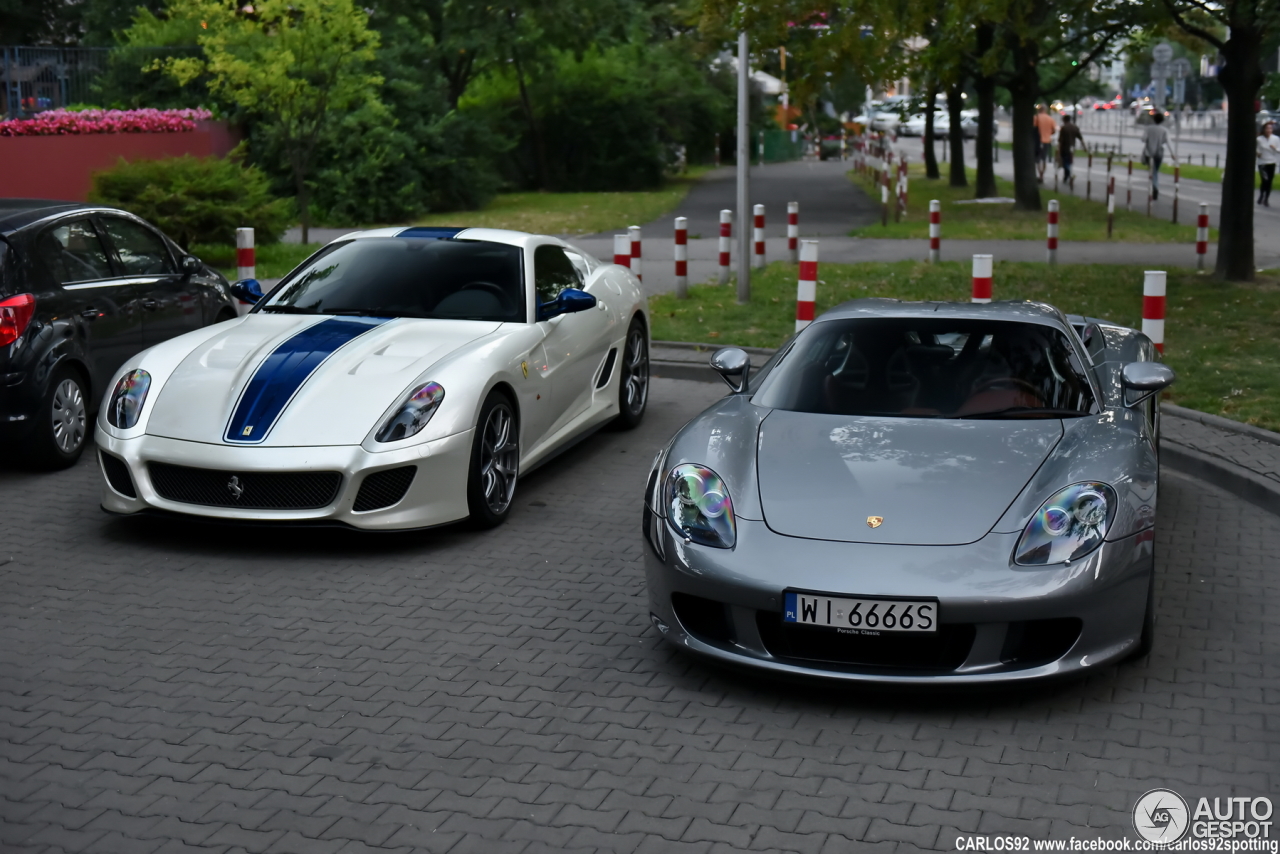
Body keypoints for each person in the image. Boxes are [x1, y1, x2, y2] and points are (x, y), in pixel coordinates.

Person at [1141, 112, 1177, 200]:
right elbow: (1168, 142)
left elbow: (1143, 139)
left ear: (1154, 119)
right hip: (1159, 153)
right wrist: (1173, 154)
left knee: (1152, 171)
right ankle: (1155, 185)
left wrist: (1149, 140)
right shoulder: (1164, 130)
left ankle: (1154, 187)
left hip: (1149, 153)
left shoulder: (1148, 129)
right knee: (1155, 171)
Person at [1057, 114, 1088, 188]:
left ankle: (1070, 174)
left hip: (1064, 148)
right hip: (1072, 148)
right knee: (1069, 162)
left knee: (1065, 163)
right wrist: (1084, 147)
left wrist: (1059, 150)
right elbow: (1080, 138)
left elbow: (1060, 141)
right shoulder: (1075, 127)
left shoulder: (1063, 128)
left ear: (1064, 120)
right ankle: (1066, 176)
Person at [1033, 105, 1057, 184]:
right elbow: (1054, 130)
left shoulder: (1036, 117)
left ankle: (1039, 173)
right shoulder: (1050, 119)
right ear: (1046, 110)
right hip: (1047, 141)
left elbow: (1034, 128)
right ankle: (1042, 174)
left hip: (1038, 141)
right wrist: (1048, 133)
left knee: (1037, 159)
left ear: (1039, 110)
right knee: (1044, 159)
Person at [1257, 121, 1279, 207]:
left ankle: (1266, 198)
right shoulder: (1259, 139)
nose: (1269, 130)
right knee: (1264, 180)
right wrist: (1258, 153)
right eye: (1267, 128)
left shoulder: (1275, 139)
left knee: (1269, 181)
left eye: (1270, 128)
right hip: (1262, 163)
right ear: (1264, 129)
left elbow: (1279, 149)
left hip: (1272, 162)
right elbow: (1257, 149)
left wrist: (1275, 148)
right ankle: (1261, 195)